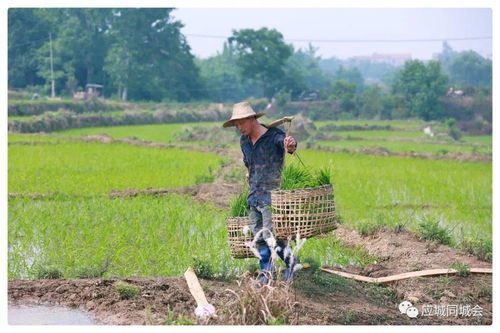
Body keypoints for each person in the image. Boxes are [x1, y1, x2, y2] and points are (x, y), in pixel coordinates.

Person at [223, 101, 298, 282]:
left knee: (273, 236)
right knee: (259, 239)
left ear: (251, 119)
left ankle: (292, 265)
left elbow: (288, 145)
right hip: (253, 196)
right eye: (236, 125)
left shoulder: (274, 136)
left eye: (241, 123)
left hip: (271, 196)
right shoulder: (244, 141)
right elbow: (248, 162)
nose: (239, 128)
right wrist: (249, 173)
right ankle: (267, 274)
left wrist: (290, 145)